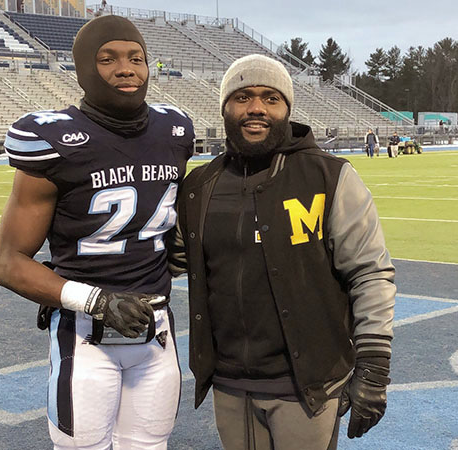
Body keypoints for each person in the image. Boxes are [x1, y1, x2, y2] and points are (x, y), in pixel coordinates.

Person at [168, 54, 396, 450]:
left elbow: (369, 273)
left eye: (270, 98)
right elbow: (166, 260)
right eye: (243, 97)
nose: (256, 108)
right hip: (229, 383)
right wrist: (83, 278)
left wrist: (374, 369)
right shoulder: (199, 186)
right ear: (224, 107)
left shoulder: (329, 176)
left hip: (306, 385)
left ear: (287, 108)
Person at [0, 15, 194, 449]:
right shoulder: (53, 138)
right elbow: (8, 264)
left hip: (156, 330)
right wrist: (96, 300)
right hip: (85, 334)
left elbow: (170, 222)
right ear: (84, 68)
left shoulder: (173, 130)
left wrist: (182, 247)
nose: (126, 69)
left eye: (136, 58)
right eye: (108, 59)